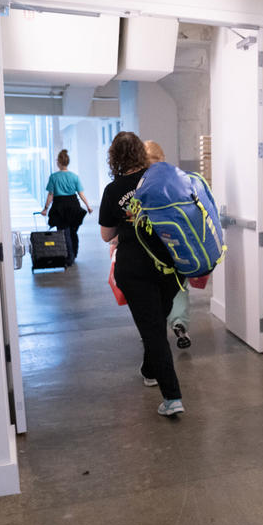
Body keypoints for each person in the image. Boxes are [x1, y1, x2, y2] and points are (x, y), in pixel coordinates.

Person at [99, 132, 185, 416]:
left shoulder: (113, 190)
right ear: (140, 152)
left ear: (114, 157)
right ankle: (150, 370)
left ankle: (172, 398)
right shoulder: (162, 179)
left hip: (134, 268)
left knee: (152, 329)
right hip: (171, 265)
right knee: (155, 322)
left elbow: (105, 235)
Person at [144, 140, 191, 349]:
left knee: (150, 291)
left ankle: (153, 332)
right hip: (175, 244)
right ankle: (179, 323)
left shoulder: (141, 183)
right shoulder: (178, 178)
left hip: (148, 248)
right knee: (178, 287)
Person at [40, 149, 93, 267]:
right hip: (74, 204)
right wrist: (88, 206)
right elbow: (81, 193)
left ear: (59, 162)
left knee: (64, 232)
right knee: (73, 232)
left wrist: (45, 208)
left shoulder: (54, 177)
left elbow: (51, 194)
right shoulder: (74, 177)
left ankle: (69, 256)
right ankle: (74, 254)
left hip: (60, 206)